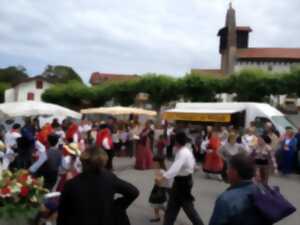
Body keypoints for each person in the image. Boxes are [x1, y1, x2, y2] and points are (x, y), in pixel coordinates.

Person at [57, 146, 139, 225]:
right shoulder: (109, 178)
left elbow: (62, 215)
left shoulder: (71, 184)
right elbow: (133, 192)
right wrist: (116, 206)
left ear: (83, 163)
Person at [156, 131, 204, 225]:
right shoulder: (186, 150)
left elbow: (175, 168)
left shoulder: (182, 152)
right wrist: (193, 167)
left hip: (182, 183)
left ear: (177, 142)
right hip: (184, 181)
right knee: (173, 206)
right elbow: (191, 162)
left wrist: (162, 178)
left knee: (187, 207)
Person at [209, 153, 271, 225]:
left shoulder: (225, 199)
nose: (226, 171)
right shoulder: (262, 190)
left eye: (228, 168)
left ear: (234, 172)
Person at [149, 156, 172, 223]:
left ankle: (168, 215)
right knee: (156, 203)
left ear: (158, 163)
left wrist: (156, 180)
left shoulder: (160, 171)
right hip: (160, 188)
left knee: (159, 203)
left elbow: (160, 183)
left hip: (161, 189)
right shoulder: (162, 169)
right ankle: (157, 217)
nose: (153, 164)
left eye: (154, 162)